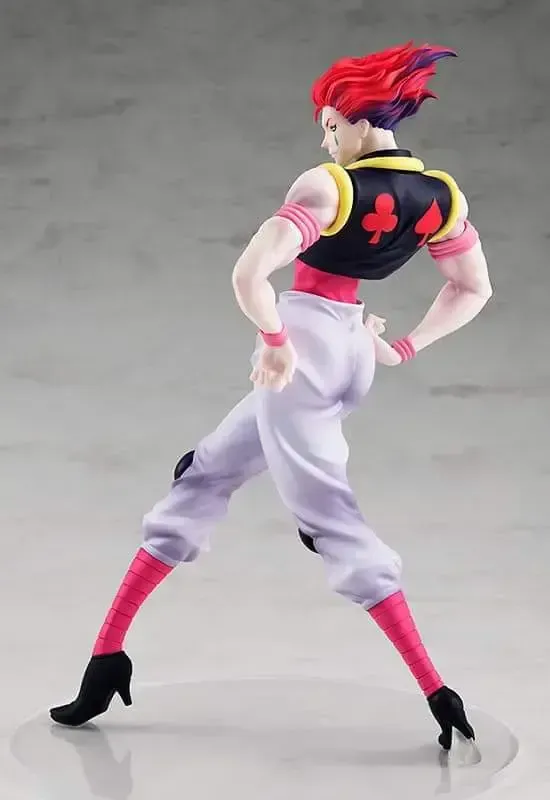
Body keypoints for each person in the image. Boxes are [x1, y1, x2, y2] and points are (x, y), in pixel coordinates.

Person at [50, 41, 492, 751]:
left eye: (330, 126)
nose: (327, 139)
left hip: (304, 349)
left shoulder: (328, 187)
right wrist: (402, 347)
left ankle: (438, 690)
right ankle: (107, 658)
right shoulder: (442, 195)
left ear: (355, 120)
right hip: (349, 345)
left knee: (332, 524)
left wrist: (277, 340)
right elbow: (472, 288)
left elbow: (249, 275)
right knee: (202, 476)